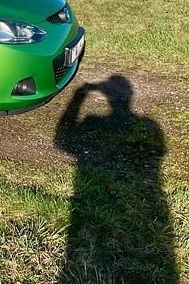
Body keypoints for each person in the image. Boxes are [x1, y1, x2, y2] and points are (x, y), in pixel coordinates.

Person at [54, 75, 177, 283]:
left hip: (110, 202)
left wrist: (78, 97)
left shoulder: (95, 122)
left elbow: (62, 142)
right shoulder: (149, 125)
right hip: (143, 203)